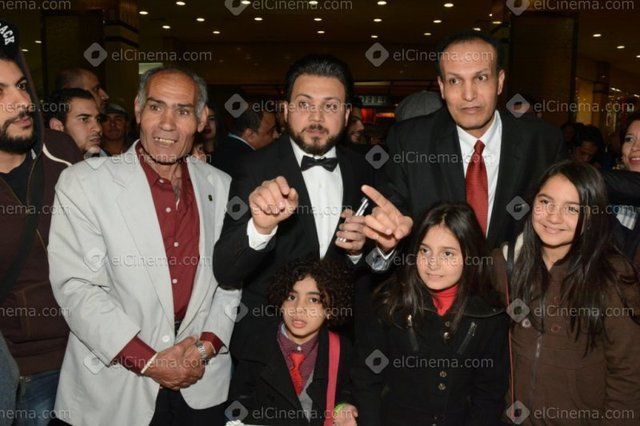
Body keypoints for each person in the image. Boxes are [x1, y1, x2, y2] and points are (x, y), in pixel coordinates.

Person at [48, 66, 240, 425]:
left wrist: (206, 347)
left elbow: (231, 281)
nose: (167, 124)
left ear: (201, 120)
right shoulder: (83, 184)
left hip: (201, 384)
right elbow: (77, 289)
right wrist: (150, 361)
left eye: (182, 111)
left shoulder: (223, 185)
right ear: (138, 110)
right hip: (115, 389)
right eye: (156, 107)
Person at [361, 31, 566, 267]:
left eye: (481, 78)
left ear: (499, 81)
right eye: (455, 81)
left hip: (516, 287)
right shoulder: (409, 141)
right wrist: (386, 244)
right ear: (441, 87)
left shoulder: (543, 142)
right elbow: (390, 227)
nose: (469, 95)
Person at [213, 54, 374, 353]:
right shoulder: (253, 167)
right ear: (285, 110)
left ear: (347, 113)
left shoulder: (363, 169)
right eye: (304, 104)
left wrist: (358, 252)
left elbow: (370, 275)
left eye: (330, 106)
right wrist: (260, 229)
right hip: (266, 346)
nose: (317, 118)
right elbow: (226, 271)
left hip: (340, 345)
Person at [493, 161, 640, 425]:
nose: (553, 217)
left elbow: (628, 375)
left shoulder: (613, 277)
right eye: (545, 202)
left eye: (572, 208)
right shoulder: (507, 264)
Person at [352, 203, 509, 425]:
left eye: (447, 253)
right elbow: (366, 381)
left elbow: (488, 396)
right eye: (425, 251)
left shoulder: (489, 315)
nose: (432, 264)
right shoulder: (391, 304)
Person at [0, 20, 82, 426]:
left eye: (21, 86)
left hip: (90, 356)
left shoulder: (61, 152)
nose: (20, 102)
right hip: (21, 370)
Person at [228, 258, 357, 426]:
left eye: (313, 300)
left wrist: (342, 407)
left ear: (330, 310)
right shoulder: (256, 344)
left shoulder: (340, 349)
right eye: (291, 297)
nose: (299, 308)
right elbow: (237, 404)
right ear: (281, 302)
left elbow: (347, 390)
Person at [211, 105, 277, 177]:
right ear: (250, 135)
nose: (276, 135)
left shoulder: (218, 149)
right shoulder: (253, 163)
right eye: (270, 132)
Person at [45, 88, 103, 157]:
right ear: (57, 127)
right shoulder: (42, 163)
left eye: (98, 119)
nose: (98, 128)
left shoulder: (107, 160)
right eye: (84, 119)